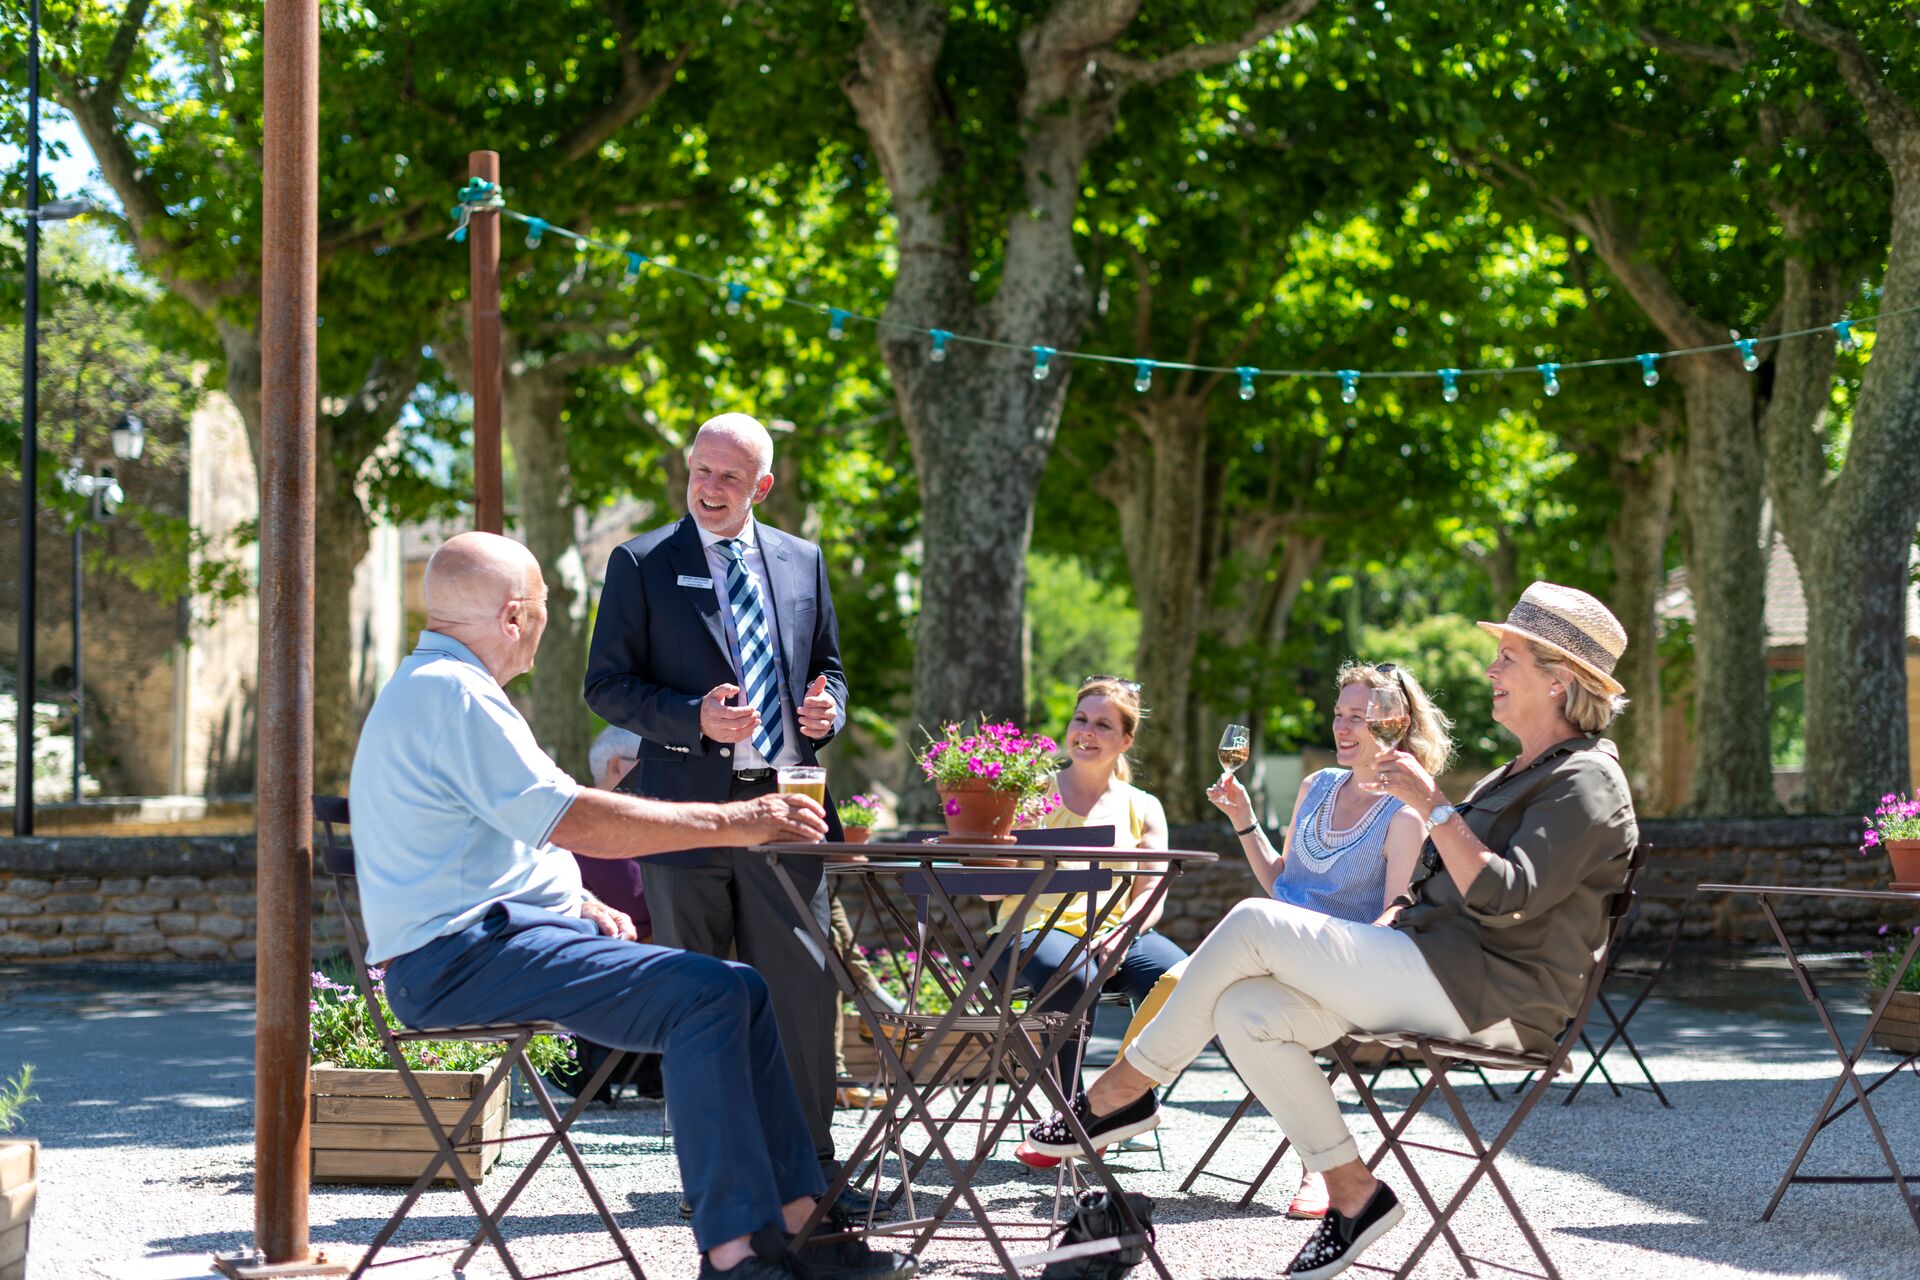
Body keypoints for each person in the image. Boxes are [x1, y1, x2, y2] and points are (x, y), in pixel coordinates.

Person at [1026, 582, 1639, 1280]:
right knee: (1243, 1010)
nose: (1491, 670)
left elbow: (1506, 898)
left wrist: (1434, 805)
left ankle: (1118, 1094)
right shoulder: (1522, 772)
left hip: (1493, 992)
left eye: (1507, 658)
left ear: (1558, 681)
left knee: (1255, 921)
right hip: (1435, 965)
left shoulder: (1587, 781)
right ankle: (1355, 1197)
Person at [350, 532, 914, 1280]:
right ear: (516, 616)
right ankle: (735, 1254)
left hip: (486, 943)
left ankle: (799, 1226)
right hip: (458, 961)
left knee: (742, 989)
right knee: (708, 995)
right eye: (546, 609)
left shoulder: (442, 688)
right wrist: (736, 822)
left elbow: (490, 835)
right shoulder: (454, 696)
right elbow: (578, 817)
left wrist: (575, 896)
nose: (548, 629)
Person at [584, 412, 854, 1198]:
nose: (709, 487)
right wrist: (692, 719)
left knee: (804, 991)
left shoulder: (803, 561)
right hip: (684, 814)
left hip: (789, 809)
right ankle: (717, 1179)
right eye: (701, 470)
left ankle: (810, 1176)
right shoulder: (640, 562)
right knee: (699, 998)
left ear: (761, 487)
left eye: (728, 477)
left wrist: (826, 711)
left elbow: (830, 670)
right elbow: (606, 686)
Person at [1193, 660, 1452, 1218]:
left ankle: (1122, 1097)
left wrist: (1332, 956)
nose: (1342, 727)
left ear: (1393, 724)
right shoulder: (1316, 786)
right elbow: (1281, 881)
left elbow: (1396, 915)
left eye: (1358, 717)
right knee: (1200, 990)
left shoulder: (1406, 813)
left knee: (1206, 975)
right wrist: (1243, 818)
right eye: (1339, 714)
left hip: (1340, 968)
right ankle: (1122, 1101)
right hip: (1268, 952)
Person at [990, 677, 1189, 1170]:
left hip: (1114, 936)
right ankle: (1071, 1117)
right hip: (1032, 933)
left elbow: (1151, 892)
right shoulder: (1032, 793)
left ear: (1125, 740)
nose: (1087, 731)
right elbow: (994, 888)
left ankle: (1116, 1098)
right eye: (1080, 719)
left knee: (1185, 978)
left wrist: (1126, 933)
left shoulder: (1144, 806)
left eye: (1103, 724)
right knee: (1075, 973)